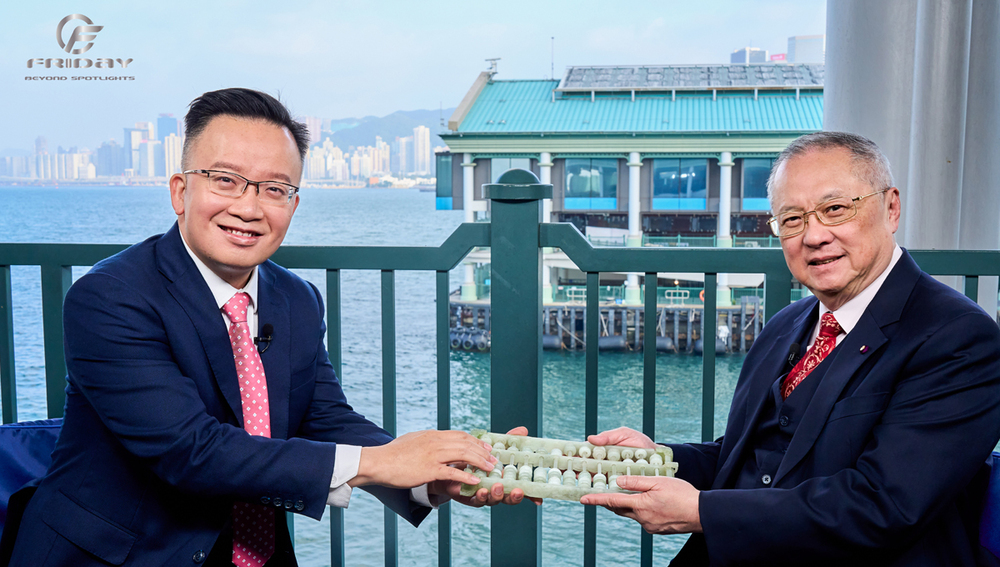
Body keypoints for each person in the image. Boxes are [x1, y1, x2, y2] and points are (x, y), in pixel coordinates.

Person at [1, 88, 521, 567]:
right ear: (180, 191)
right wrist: (380, 462)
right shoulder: (109, 297)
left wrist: (434, 474)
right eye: (225, 180)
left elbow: (324, 416)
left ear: (293, 204)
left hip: (255, 554)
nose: (248, 208)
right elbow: (192, 451)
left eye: (275, 189)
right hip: (116, 555)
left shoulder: (297, 298)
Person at [582, 131, 1000, 565]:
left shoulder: (958, 336)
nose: (814, 236)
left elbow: (886, 506)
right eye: (792, 219)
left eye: (835, 209)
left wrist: (702, 512)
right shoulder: (785, 324)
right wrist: (658, 461)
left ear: (891, 207)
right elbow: (748, 458)